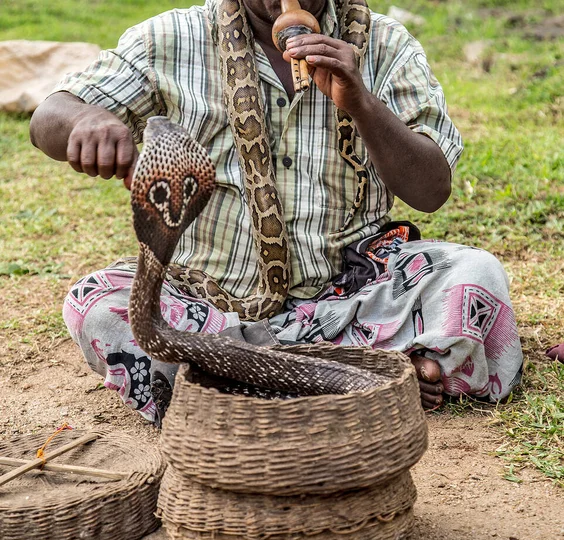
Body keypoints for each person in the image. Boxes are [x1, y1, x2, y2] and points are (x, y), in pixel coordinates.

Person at [30, 0, 523, 424]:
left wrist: (362, 103)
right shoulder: (169, 37)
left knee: (476, 275)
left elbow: (431, 189)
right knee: (95, 304)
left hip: (350, 299)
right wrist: (88, 117)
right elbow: (49, 116)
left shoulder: (387, 45)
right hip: (211, 311)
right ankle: (366, 382)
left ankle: (235, 395)